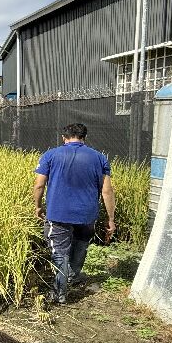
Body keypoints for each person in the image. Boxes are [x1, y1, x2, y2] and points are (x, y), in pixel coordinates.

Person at [33, 123, 116, 304]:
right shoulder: (99, 158)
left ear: (64, 138)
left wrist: (38, 207)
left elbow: (39, 185)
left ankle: (59, 293)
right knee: (81, 244)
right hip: (87, 215)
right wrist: (110, 218)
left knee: (60, 251)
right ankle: (71, 276)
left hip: (59, 214)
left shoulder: (51, 155)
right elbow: (107, 191)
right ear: (84, 138)